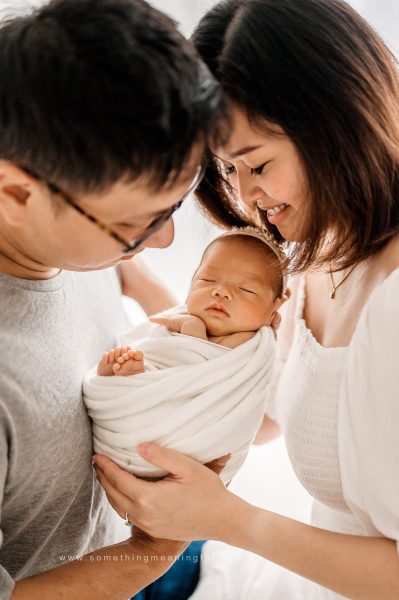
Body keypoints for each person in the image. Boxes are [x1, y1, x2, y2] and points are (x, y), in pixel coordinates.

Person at [93, 0, 399, 598]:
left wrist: (228, 520)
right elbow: (266, 401)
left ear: (335, 122)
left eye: (255, 164)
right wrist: (158, 356)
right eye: (228, 170)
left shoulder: (391, 300)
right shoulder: (324, 250)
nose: (247, 196)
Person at [0, 0, 226, 598]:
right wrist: (155, 551)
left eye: (176, 204)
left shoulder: (75, 244)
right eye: (137, 227)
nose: (165, 239)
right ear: (14, 194)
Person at [84, 227, 289, 485]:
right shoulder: (174, 320)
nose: (221, 292)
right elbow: (161, 351)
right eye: (208, 281)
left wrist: (192, 331)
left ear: (275, 307)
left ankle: (127, 376)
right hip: (138, 413)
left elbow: (220, 392)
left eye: (246, 289)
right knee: (134, 358)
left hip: (192, 445)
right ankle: (124, 378)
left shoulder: (251, 346)